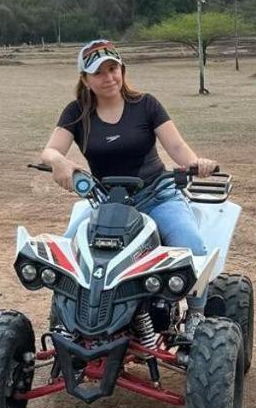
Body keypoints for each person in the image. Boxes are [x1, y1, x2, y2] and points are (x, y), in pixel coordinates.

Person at [38, 39, 219, 338]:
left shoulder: (145, 104)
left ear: (122, 70)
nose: (109, 78)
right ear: (85, 78)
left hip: (157, 196)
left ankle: (196, 314)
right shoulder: (77, 112)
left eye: (113, 69)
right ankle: (63, 320)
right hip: (107, 205)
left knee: (193, 247)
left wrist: (196, 163)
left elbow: (176, 147)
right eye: (99, 72)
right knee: (67, 257)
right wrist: (60, 162)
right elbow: (50, 151)